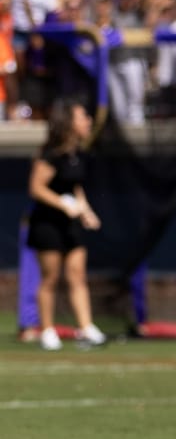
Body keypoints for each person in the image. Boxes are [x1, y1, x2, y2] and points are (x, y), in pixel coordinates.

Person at [26, 99, 103, 349]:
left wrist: (86, 211)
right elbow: (36, 188)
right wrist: (63, 204)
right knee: (50, 278)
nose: (88, 121)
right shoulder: (51, 155)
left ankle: (86, 327)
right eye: (82, 117)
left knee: (77, 275)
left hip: (70, 224)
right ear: (68, 123)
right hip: (48, 223)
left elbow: (75, 187)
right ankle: (47, 330)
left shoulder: (79, 155)